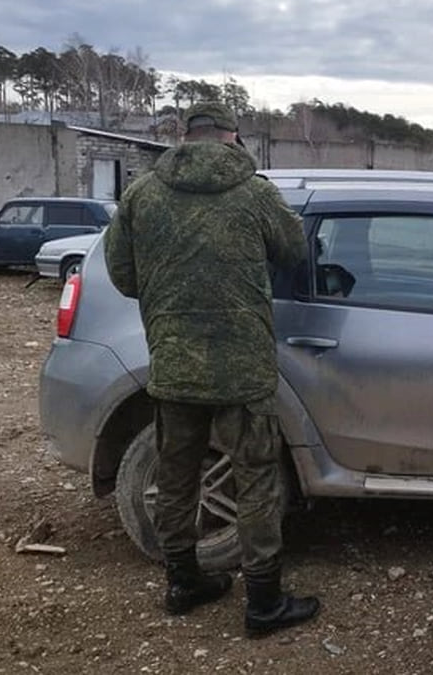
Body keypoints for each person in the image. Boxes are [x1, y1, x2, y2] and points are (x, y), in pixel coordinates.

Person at [104, 101, 320, 639]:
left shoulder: (143, 194)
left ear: (184, 135)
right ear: (233, 136)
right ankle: (263, 602)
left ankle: (183, 582)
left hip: (174, 364)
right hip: (241, 369)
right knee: (257, 481)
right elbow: (293, 251)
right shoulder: (255, 192)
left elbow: (122, 274)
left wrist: (166, 297)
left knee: (177, 478)